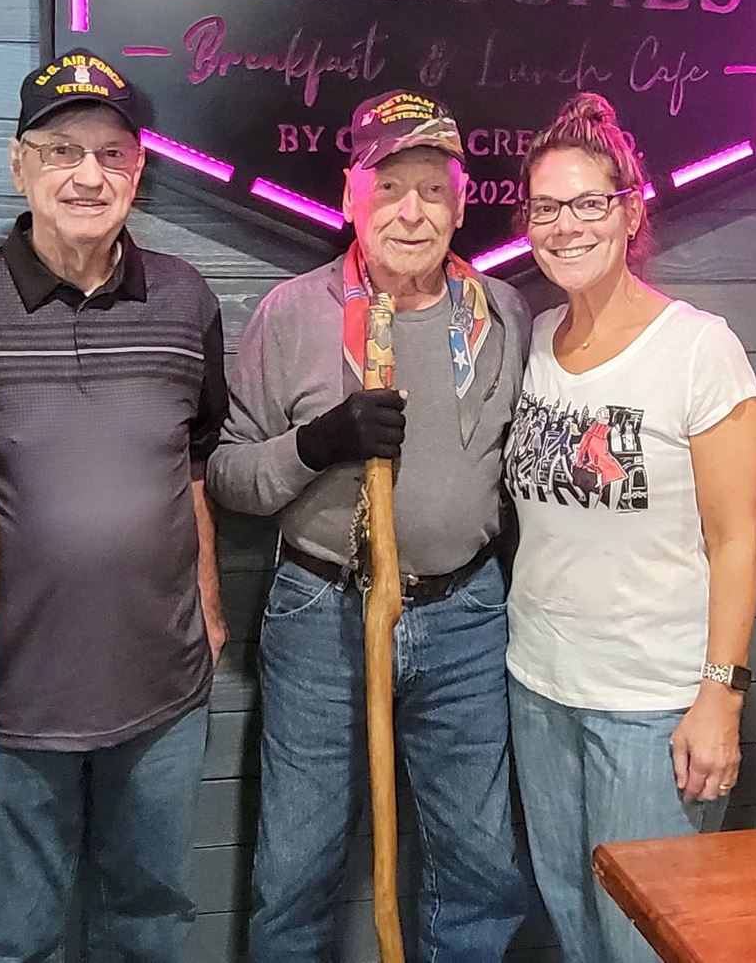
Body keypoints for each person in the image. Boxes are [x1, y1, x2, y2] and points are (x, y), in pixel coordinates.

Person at [208, 90, 530, 962]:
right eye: (387, 187)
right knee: (297, 867)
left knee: (480, 866)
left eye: (432, 189)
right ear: (349, 196)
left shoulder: (502, 315)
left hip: (466, 617)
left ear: (462, 203)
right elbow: (229, 476)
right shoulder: (293, 313)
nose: (410, 211)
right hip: (324, 616)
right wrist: (316, 445)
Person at [0, 54, 229, 963]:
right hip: (13, 700)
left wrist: (210, 608)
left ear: (138, 171)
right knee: (11, 938)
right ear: (18, 166)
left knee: (151, 923)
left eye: (112, 154)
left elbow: (193, 465)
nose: (88, 175)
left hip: (163, 691)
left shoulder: (185, 297)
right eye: (61, 151)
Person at [502, 92, 756, 963]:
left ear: (630, 210)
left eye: (588, 203)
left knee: (643, 940)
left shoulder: (699, 350)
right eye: (546, 207)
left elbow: (736, 540)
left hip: (653, 705)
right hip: (539, 685)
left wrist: (720, 697)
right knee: (574, 925)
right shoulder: (537, 338)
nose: (566, 226)